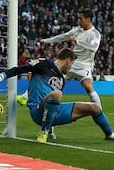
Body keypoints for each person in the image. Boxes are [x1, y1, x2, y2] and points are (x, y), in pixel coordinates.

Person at [0, 48, 114, 143]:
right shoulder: (43, 64)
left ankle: (110, 135)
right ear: (68, 60)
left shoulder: (61, 79)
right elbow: (19, 69)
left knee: (95, 108)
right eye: (72, 64)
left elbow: (53, 106)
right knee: (57, 94)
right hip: (37, 110)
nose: (71, 67)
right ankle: (43, 132)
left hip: (55, 112)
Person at [17, 8, 102, 139]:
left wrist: (77, 41)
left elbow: (93, 47)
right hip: (70, 63)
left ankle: (99, 110)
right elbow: (63, 36)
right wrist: (47, 41)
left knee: (88, 86)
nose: (79, 20)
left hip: (84, 65)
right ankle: (45, 124)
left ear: (88, 19)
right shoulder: (77, 30)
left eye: (81, 18)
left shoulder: (95, 34)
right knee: (51, 86)